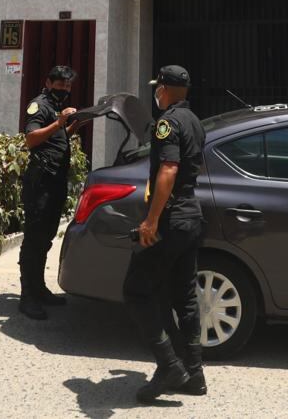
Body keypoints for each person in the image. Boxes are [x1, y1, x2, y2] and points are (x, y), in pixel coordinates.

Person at [123, 64, 207, 402]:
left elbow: (169, 168)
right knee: (184, 296)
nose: (156, 92)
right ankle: (195, 375)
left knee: (136, 291)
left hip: (171, 220)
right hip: (191, 216)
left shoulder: (167, 123)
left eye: (159, 87)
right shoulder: (195, 121)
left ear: (167, 89)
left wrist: (151, 221)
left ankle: (170, 365)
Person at [18, 64, 84, 320]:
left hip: (55, 180)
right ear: (49, 83)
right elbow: (32, 138)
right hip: (41, 181)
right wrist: (58, 122)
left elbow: (56, 137)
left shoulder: (56, 109)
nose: (64, 90)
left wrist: (71, 127)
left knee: (45, 239)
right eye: (60, 85)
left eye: (68, 86)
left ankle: (39, 289)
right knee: (34, 239)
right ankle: (27, 297)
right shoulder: (40, 105)